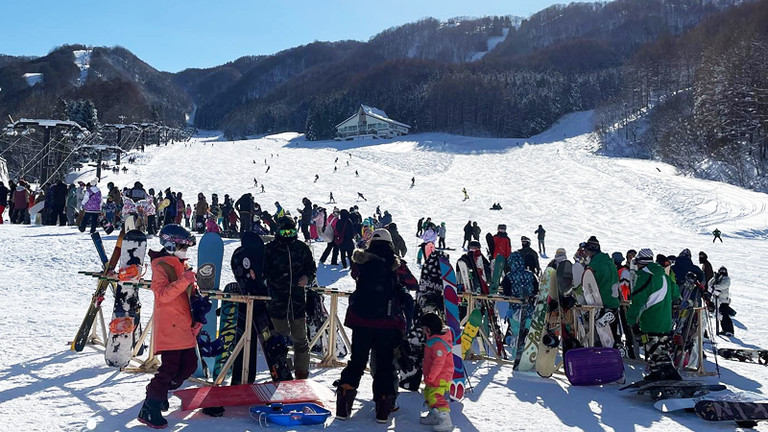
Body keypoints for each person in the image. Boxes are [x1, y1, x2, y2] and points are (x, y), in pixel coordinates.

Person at [336, 229, 409, 423]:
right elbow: (410, 283)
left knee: (357, 362)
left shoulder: (361, 260)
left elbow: (354, 275)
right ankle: (383, 409)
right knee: (384, 365)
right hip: (386, 322)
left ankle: (343, 406)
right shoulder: (395, 263)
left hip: (361, 320)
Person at [137, 224, 198, 429]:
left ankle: (159, 392)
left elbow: (189, 296)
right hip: (170, 326)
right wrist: (184, 281)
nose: (185, 251)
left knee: (189, 365)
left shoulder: (183, 266)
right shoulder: (160, 265)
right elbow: (162, 295)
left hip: (185, 325)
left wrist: (198, 318)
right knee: (169, 368)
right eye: (183, 246)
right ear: (171, 244)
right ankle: (150, 406)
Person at [263, 216, 316, 379]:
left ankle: (302, 375)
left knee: (301, 340)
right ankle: (282, 372)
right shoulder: (270, 249)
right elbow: (262, 271)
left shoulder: (301, 248)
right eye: (284, 231)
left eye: (291, 231)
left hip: (297, 303)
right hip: (277, 303)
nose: (288, 234)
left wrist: (307, 277)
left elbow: (311, 268)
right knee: (278, 340)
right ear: (278, 231)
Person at [626, 248, 680, 380]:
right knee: (661, 348)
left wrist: (631, 320)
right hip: (665, 320)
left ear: (641, 262)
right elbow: (676, 293)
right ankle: (655, 373)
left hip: (651, 320)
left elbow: (637, 300)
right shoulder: (664, 276)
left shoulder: (644, 277)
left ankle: (672, 377)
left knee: (655, 350)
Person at [419, 313, 454, 432]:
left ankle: (445, 420)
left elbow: (438, 363)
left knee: (436, 396)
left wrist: (431, 376)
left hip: (441, 376)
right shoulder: (433, 340)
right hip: (433, 376)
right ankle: (434, 415)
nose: (423, 332)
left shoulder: (439, 344)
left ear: (430, 328)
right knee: (428, 394)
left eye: (424, 329)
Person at [584, 236, 620, 345]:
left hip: (602, 303)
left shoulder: (594, 265)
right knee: (612, 338)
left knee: (602, 339)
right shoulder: (609, 262)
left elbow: (589, 284)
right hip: (614, 302)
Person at [709, 266, 733, 336]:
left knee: (725, 315)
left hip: (723, 299)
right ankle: (724, 329)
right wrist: (712, 288)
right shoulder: (716, 278)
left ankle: (729, 330)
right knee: (719, 315)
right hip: (716, 299)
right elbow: (710, 284)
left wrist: (714, 287)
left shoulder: (726, 279)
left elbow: (724, 285)